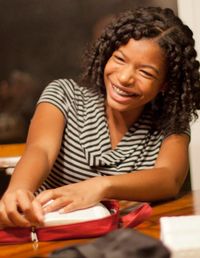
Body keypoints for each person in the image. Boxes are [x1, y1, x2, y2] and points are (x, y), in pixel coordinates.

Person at [0, 6, 200, 228]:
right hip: (49, 235)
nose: (124, 78)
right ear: (106, 55)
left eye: (145, 72)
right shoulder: (64, 94)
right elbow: (41, 151)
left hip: (123, 242)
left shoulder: (171, 121)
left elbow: (169, 178)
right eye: (120, 59)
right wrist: (19, 189)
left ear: (165, 84)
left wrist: (101, 186)